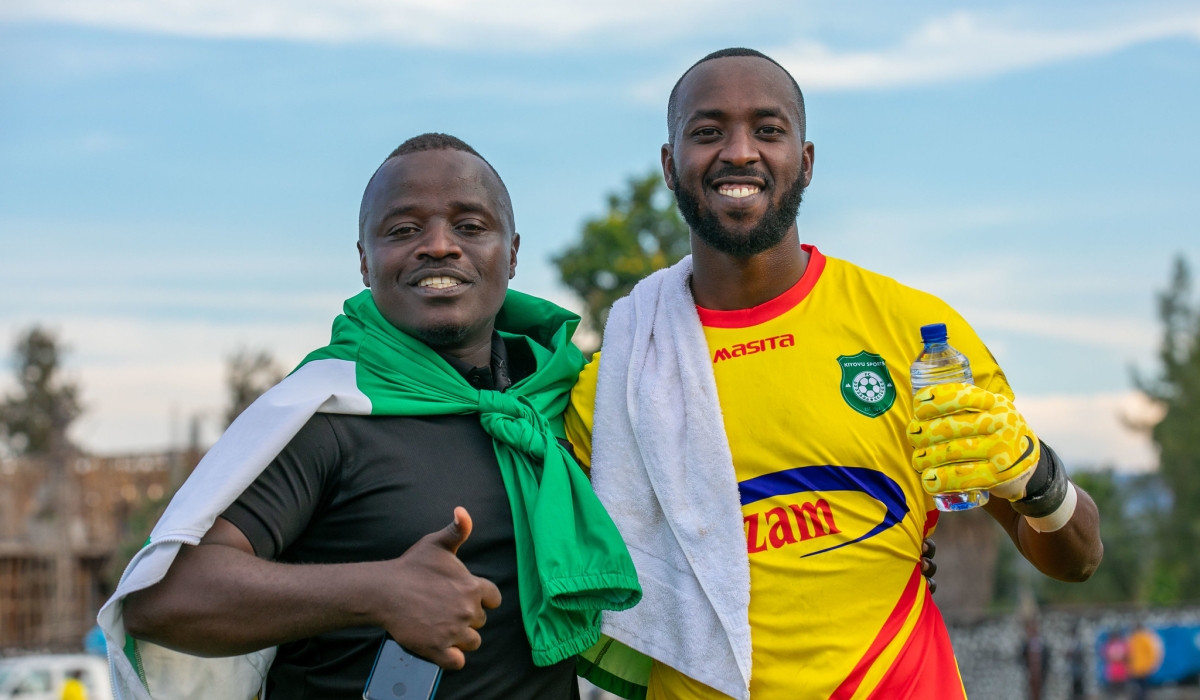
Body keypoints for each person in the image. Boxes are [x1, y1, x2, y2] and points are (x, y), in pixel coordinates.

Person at [567, 48, 1104, 700]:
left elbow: (1077, 559)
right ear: (668, 164)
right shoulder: (613, 384)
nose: (739, 151)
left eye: (768, 129)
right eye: (707, 132)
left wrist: (1036, 478)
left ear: (807, 160)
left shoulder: (914, 334)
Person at [111, 133, 640, 700]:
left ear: (510, 253)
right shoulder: (327, 412)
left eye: (470, 226)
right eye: (403, 230)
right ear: (365, 261)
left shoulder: (561, 406)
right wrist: (379, 590)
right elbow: (165, 599)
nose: (439, 246)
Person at [1021, 619, 1050, 700]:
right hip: (1031, 672)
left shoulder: (1042, 643)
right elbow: (1022, 656)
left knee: (1040, 691)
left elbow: (1046, 657)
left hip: (1040, 672)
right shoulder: (1026, 643)